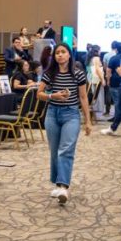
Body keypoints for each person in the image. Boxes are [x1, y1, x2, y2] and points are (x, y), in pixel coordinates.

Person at [37, 42, 91, 204]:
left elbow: (83, 97)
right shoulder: (49, 73)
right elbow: (39, 94)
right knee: (55, 151)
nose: (60, 55)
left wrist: (88, 121)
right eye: (57, 53)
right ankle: (58, 183)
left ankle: (63, 187)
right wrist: (52, 96)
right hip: (52, 114)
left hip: (71, 114)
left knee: (66, 150)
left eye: (63, 52)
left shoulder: (78, 74)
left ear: (69, 54)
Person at [85, 45, 106, 118]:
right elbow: (97, 70)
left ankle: (93, 113)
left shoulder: (90, 57)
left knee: (93, 94)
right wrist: (102, 79)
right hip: (96, 79)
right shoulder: (96, 58)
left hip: (91, 77)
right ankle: (95, 112)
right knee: (97, 95)